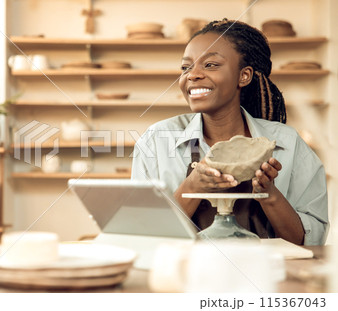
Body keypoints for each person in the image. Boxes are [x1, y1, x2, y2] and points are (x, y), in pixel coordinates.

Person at [131, 19, 328, 246]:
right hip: (185, 276)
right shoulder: (156, 140)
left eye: (210, 65)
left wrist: (269, 193)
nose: (192, 75)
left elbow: (309, 243)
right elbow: (143, 237)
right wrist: (192, 186)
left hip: (266, 276)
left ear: (243, 76)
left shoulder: (288, 143)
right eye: (186, 67)